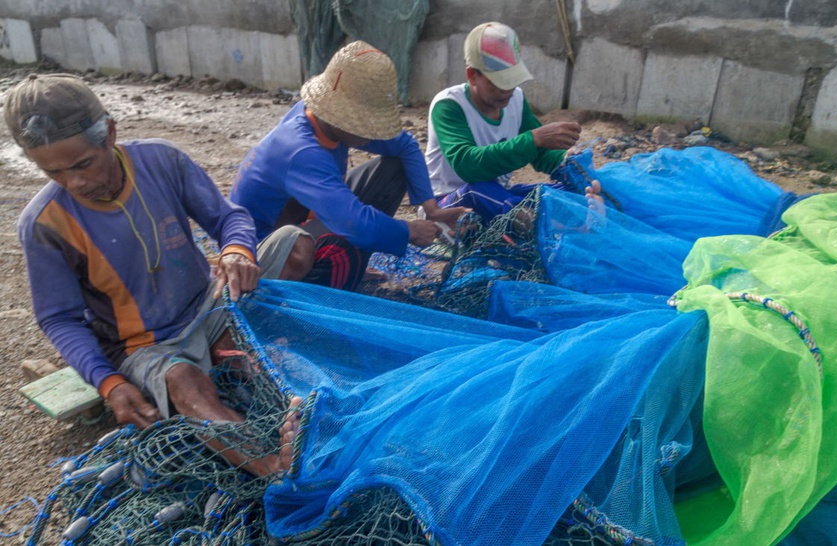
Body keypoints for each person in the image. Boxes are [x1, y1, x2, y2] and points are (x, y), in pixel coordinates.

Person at [7, 73, 308, 475]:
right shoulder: (43, 223)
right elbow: (58, 318)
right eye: (53, 173)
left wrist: (236, 250)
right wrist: (109, 383)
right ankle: (275, 470)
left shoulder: (160, 160)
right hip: (146, 345)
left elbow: (228, 218)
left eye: (83, 164)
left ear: (110, 133)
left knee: (294, 243)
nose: (74, 182)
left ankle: (225, 346)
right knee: (186, 383)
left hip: (207, 303)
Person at [231, 40, 466, 291]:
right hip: (262, 249)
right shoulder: (302, 149)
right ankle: (325, 293)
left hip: (307, 216)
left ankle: (349, 267)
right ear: (339, 115)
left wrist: (431, 209)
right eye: (365, 122)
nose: (372, 132)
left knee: (392, 170)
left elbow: (405, 145)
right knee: (339, 240)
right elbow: (355, 223)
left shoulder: (319, 119)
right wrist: (409, 231)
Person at [424, 22, 584, 226]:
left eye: (512, 80)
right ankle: (528, 225)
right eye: (498, 83)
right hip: (449, 206)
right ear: (473, 76)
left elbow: (541, 153)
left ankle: (526, 222)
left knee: (569, 196)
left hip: (497, 197)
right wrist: (534, 139)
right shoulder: (449, 105)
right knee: (479, 190)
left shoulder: (516, 100)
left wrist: (565, 160)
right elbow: (467, 166)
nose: (507, 90)